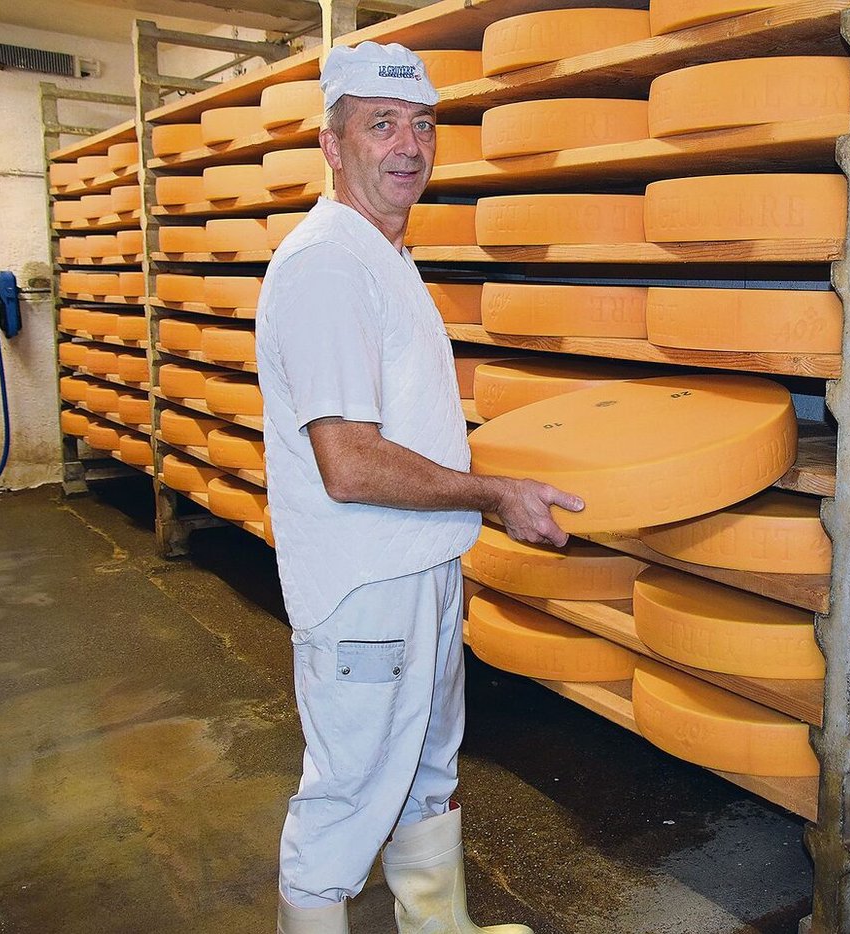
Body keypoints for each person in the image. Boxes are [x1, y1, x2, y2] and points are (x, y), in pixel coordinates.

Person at [255, 40, 582, 934]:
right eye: (381, 124)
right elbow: (350, 462)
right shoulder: (327, 266)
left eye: (424, 125)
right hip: (367, 585)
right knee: (348, 798)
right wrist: (493, 493)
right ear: (332, 145)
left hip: (418, 566)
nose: (409, 145)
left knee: (426, 773)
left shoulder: (383, 255)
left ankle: (441, 928)